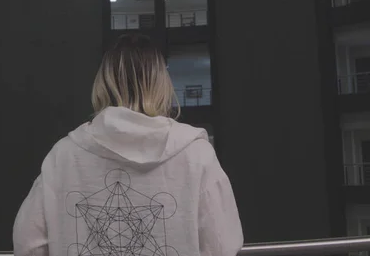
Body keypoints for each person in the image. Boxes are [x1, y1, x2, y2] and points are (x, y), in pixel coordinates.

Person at [13, 33, 244, 256]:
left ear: (103, 83)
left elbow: (28, 245)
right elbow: (222, 245)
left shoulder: (63, 157)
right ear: (161, 84)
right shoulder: (197, 155)